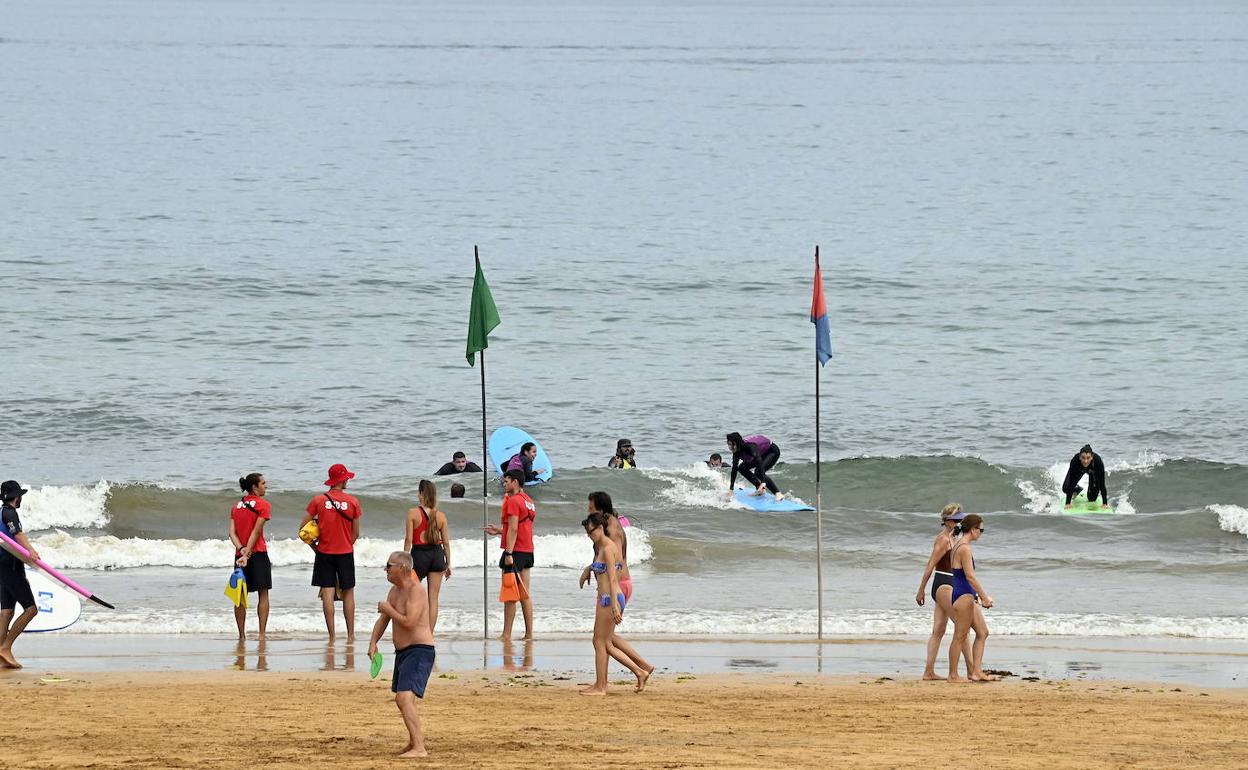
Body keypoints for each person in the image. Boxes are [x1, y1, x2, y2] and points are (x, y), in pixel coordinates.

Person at [579, 492, 653, 693]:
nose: (588, 510)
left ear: (600, 510)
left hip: (617, 588)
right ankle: (642, 668)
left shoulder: (611, 530)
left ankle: (604, 684)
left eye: (591, 508)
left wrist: (613, 601)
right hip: (612, 590)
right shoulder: (606, 527)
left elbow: (615, 566)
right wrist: (590, 568)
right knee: (606, 638)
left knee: (603, 640)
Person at [368, 551, 435, 759]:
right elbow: (383, 620)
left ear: (402, 568)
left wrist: (388, 609)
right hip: (403, 652)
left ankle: (419, 748)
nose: (385, 569)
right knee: (403, 700)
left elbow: (409, 622)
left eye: (389, 566)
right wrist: (373, 642)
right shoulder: (394, 591)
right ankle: (414, 742)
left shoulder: (416, 590)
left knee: (404, 698)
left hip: (420, 650)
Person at [300, 463, 363, 641]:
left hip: (324, 552)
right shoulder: (353, 501)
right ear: (342, 480)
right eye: (346, 478)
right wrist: (346, 544)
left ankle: (332, 636)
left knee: (327, 593)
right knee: (348, 593)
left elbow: (303, 530)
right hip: (345, 552)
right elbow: (356, 533)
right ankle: (350, 636)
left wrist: (316, 548)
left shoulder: (318, 500)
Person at [915, 503, 972, 681]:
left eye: (960, 520)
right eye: (955, 520)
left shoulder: (955, 538)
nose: (958, 523)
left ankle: (928, 672)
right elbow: (930, 565)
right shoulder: (943, 539)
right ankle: (971, 671)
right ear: (946, 521)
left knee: (939, 630)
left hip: (952, 583)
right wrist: (921, 590)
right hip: (943, 584)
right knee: (963, 627)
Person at [483, 469, 535, 640]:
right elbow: (520, 526)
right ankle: (529, 633)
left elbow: (513, 529)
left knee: (510, 595)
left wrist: (509, 553)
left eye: (506, 481)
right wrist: (500, 531)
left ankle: (506, 634)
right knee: (524, 594)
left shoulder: (513, 501)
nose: (504, 484)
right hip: (528, 550)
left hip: (516, 551)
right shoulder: (528, 500)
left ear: (515, 482)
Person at [947, 514, 995, 683]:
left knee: (983, 632)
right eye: (981, 529)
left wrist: (978, 596)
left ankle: (976, 672)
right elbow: (970, 577)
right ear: (973, 529)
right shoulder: (964, 548)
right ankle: (953, 675)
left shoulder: (958, 544)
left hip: (966, 594)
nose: (981, 533)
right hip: (963, 595)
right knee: (960, 636)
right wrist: (984, 597)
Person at [229, 472, 273, 640]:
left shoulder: (236, 506)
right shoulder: (263, 505)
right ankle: (261, 634)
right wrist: (248, 552)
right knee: (263, 593)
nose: (266, 486)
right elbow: (256, 531)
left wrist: (241, 550)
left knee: (240, 595)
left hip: (239, 555)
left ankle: (241, 635)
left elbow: (232, 533)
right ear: (254, 487)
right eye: (263, 483)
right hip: (258, 553)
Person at [404, 479, 452, 632]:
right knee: (433, 599)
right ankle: (429, 634)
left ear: (421, 494)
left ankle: (412, 629)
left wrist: (404, 561)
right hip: (437, 555)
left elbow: (408, 540)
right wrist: (448, 564)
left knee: (411, 595)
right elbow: (446, 544)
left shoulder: (413, 513)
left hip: (419, 555)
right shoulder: (441, 516)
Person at [0, 480, 39, 669]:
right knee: (31, 609)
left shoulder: (0, 512)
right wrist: (31, 551)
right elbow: (18, 534)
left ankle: (0, 652)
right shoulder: (10, 512)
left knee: (6, 611)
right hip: (11, 566)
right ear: (16, 497)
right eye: (20, 496)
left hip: (2, 567)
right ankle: (6, 648)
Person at [725, 432, 783, 500]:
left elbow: (759, 461)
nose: (730, 447)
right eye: (728, 444)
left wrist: (763, 482)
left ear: (738, 443)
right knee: (741, 468)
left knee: (758, 472)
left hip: (772, 451)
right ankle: (760, 489)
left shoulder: (750, 447)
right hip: (761, 453)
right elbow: (734, 469)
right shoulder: (736, 452)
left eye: (732, 444)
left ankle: (778, 493)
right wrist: (731, 489)